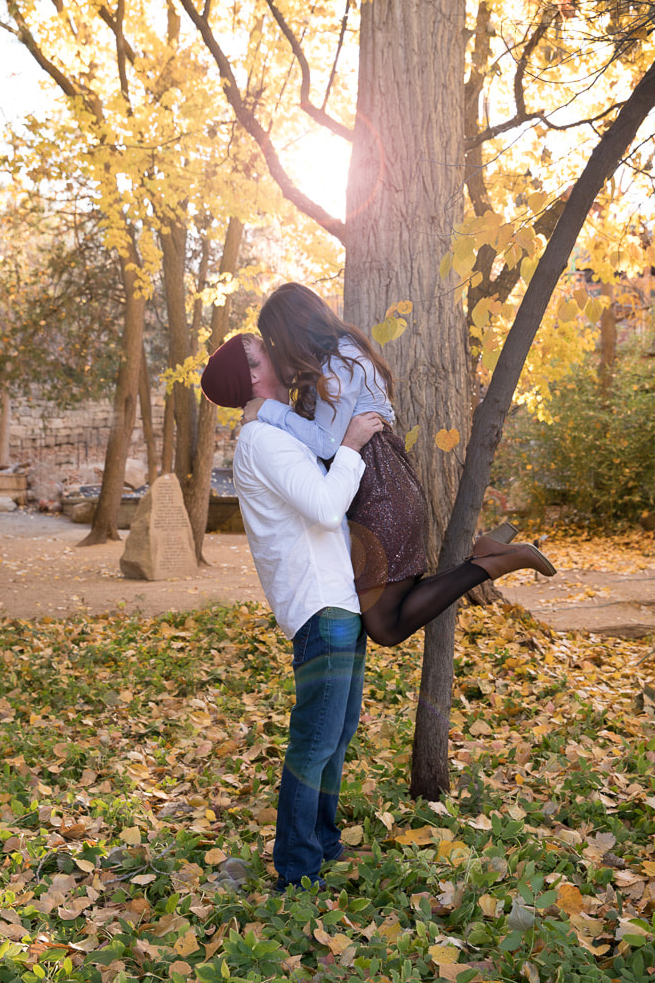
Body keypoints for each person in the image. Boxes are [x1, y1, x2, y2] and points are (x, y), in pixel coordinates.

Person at [243, 282, 555, 647]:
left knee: (384, 625)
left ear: (291, 330)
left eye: (275, 342)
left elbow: (326, 442)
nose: (278, 353)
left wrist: (270, 411)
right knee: (389, 612)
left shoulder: (337, 366)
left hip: (378, 489)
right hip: (381, 483)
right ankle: (485, 557)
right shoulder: (342, 353)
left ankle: (488, 564)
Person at [200, 332, 382, 892]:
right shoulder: (262, 441)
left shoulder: (274, 427)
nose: (275, 354)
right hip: (318, 603)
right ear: (254, 375)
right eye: (261, 353)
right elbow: (328, 508)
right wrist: (351, 442)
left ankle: (323, 845)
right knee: (315, 740)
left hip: (338, 599)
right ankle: (297, 872)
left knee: (338, 734)